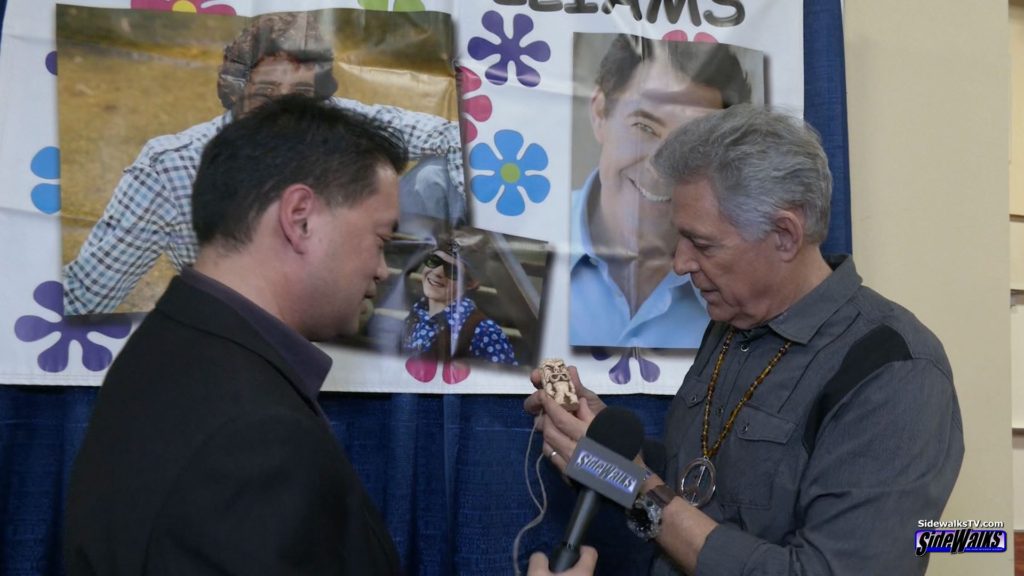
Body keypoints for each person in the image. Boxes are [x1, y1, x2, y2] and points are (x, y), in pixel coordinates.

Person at [530, 105, 964, 574]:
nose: (680, 263)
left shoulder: (897, 370)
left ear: (784, 235)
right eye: (679, 238)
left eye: (704, 244)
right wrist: (608, 455)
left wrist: (631, 482)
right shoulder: (730, 321)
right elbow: (698, 493)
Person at [65, 95, 409, 574]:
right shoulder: (257, 440)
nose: (382, 269)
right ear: (301, 218)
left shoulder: (173, 347)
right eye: (381, 239)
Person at [62, 11, 464, 316]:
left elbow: (453, 136)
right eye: (267, 94)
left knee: (437, 176)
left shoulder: (333, 121)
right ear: (235, 94)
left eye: (302, 96)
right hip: (244, 329)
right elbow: (86, 297)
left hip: (353, 315)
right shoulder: (170, 167)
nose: (284, 113)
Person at [570, 35, 754, 348]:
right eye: (644, 127)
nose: (660, 168)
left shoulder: (744, 287)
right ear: (600, 113)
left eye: (693, 145)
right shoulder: (515, 246)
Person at [403, 235, 518, 366]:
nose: (436, 272)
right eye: (433, 261)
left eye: (452, 270)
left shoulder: (485, 332)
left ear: (471, 283)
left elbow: (502, 381)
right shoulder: (418, 313)